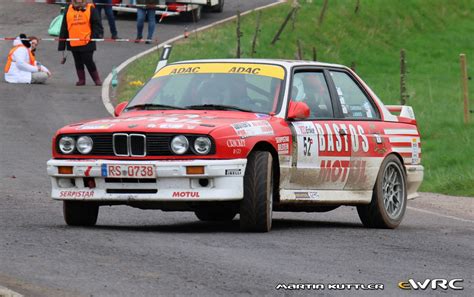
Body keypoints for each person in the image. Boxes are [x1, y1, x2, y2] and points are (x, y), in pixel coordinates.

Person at [58, 0, 104, 86]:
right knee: (78, 60)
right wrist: (62, 44)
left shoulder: (91, 8)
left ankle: (96, 80)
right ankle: (81, 80)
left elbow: (97, 24)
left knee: (88, 60)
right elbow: (64, 26)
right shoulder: (68, 8)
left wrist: (93, 37)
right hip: (73, 40)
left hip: (87, 41)